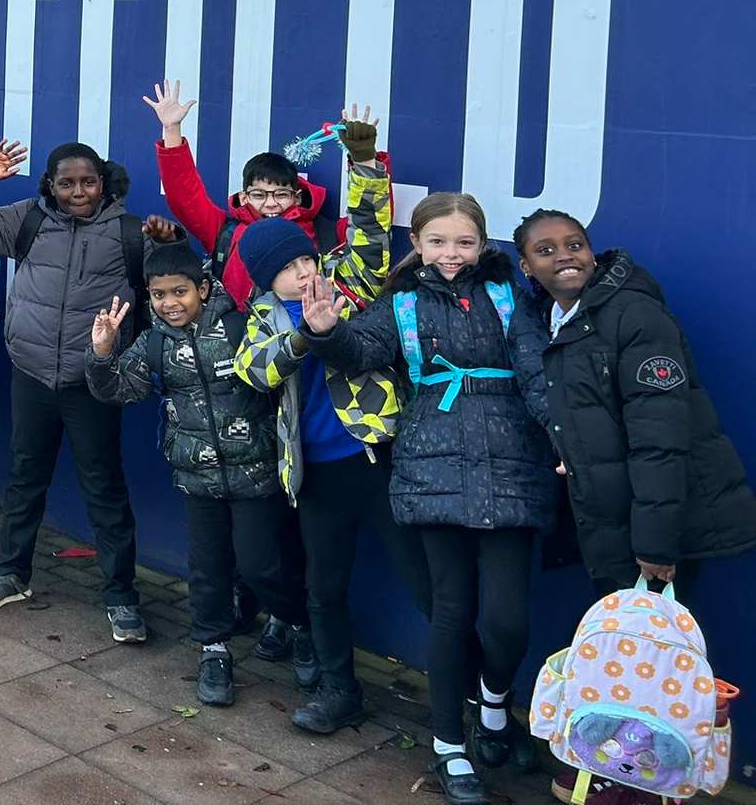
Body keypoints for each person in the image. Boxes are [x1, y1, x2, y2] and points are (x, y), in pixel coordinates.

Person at [298, 193, 554, 805]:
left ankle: (494, 708)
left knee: (507, 619)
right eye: (437, 241)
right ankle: (448, 745)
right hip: (431, 465)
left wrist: (562, 438)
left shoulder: (509, 296)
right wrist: (325, 332)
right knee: (449, 610)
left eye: (464, 242)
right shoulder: (403, 301)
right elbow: (362, 351)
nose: (450, 254)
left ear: (484, 246)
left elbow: (536, 370)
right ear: (417, 245)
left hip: (511, 462)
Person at [231, 110, 410, 738]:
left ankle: (473, 711)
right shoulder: (259, 319)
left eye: (306, 260)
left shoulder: (350, 283)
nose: (304, 274)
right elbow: (256, 372)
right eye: (287, 269)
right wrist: (307, 335)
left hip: (376, 457)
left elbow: (368, 230)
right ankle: (340, 691)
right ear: (265, 279)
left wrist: (363, 166)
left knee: (426, 584)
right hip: (315, 476)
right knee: (322, 589)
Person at [88, 242, 314, 705]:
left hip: (256, 472)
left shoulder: (238, 326)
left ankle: (301, 626)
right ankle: (214, 651)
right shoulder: (153, 342)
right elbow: (118, 391)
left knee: (261, 565)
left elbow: (274, 373)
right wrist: (102, 354)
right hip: (196, 477)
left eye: (180, 292)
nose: (169, 304)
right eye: (158, 295)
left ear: (204, 289)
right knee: (207, 569)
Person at [0, 138, 151, 637]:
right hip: (34, 373)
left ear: (103, 182)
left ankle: (122, 596)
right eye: (66, 183)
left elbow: (173, 284)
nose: (77, 191)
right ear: (50, 185)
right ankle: (11, 573)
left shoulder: (130, 232)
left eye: (87, 182)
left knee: (104, 486)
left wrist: (167, 242)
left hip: (94, 380)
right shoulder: (28, 218)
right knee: (24, 477)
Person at [515, 210, 756, 598]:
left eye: (575, 245)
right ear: (526, 266)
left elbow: (659, 439)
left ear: (592, 253)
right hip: (614, 523)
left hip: (657, 528)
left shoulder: (636, 316)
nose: (564, 256)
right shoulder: (549, 320)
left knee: (650, 650)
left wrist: (656, 543)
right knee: (620, 650)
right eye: (546, 250)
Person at [145, 80, 339, 309]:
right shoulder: (225, 232)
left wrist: (363, 156)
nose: (271, 204)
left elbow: (371, 225)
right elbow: (184, 197)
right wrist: (171, 130)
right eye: (259, 195)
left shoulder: (326, 233)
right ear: (244, 197)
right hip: (238, 338)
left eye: (281, 195)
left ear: (296, 197)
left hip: (304, 336)